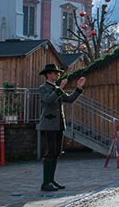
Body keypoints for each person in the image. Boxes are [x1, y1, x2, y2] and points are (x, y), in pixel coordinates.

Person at [37, 64, 86, 192]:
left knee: (56, 152)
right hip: (48, 125)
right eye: (55, 73)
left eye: (58, 73)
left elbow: (69, 100)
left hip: (58, 125)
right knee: (50, 152)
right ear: (48, 75)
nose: (58, 75)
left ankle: (51, 180)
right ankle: (46, 182)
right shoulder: (43, 88)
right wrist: (60, 88)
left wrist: (78, 88)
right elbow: (48, 100)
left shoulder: (56, 88)